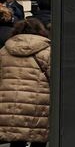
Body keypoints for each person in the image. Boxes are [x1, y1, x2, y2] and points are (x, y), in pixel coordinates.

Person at [0, 18, 51, 147]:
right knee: (38, 139)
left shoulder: (3, 51)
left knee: (16, 138)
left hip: (9, 101)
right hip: (40, 101)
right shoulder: (48, 52)